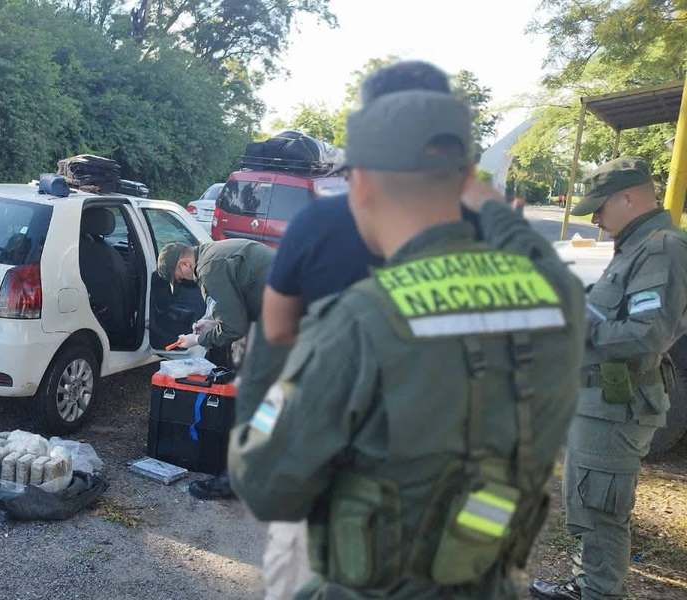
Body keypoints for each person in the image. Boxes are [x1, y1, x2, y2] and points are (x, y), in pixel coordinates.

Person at [229, 78, 586, 599]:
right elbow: (530, 247)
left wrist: (265, 357)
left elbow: (265, 487)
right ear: (465, 176)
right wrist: (487, 202)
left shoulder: (356, 320)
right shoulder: (557, 295)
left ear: (362, 184)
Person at [530, 157, 687, 600]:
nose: (595, 218)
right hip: (600, 398)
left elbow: (648, 333)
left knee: (601, 509)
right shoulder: (637, 246)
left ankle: (599, 592)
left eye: (600, 207)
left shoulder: (661, 248)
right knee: (585, 502)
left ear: (629, 197)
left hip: (619, 403)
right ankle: (587, 585)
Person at [155, 237, 286, 500]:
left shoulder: (208, 269)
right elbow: (238, 303)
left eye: (178, 278)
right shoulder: (213, 252)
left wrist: (198, 339)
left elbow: (234, 327)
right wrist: (211, 323)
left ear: (183, 263)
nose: (183, 282)